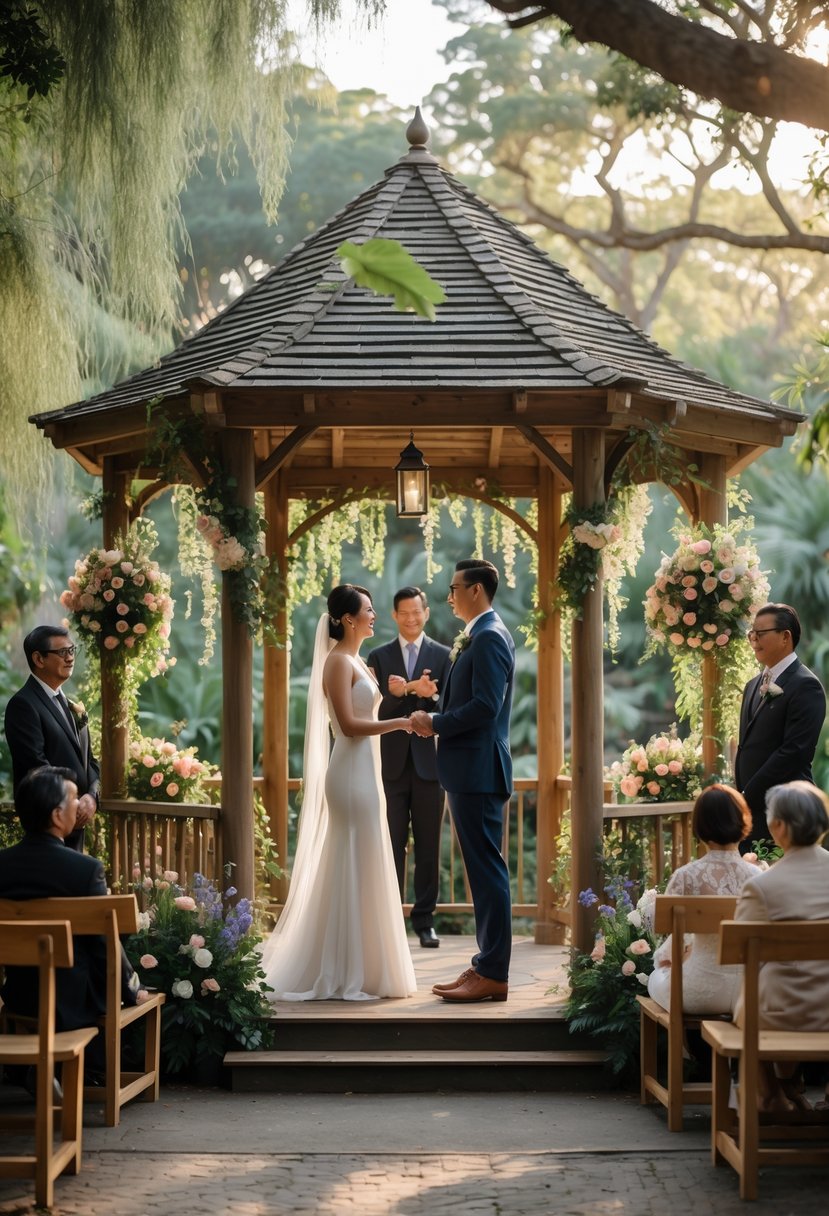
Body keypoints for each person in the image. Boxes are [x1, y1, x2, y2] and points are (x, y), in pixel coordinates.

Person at [261, 584, 417, 1001]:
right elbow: (348, 727)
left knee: (366, 859)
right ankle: (340, 969)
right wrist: (399, 724)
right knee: (350, 858)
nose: (374, 616)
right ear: (348, 619)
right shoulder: (336, 663)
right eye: (368, 610)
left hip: (367, 772)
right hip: (349, 773)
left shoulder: (359, 661)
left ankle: (367, 966)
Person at [411, 558, 516, 1004]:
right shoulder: (479, 634)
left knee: (487, 869)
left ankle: (492, 971)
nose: (448, 596)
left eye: (453, 588)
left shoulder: (489, 637)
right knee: (481, 868)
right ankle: (484, 963)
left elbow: (486, 707)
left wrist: (434, 722)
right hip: (468, 769)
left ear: (476, 590)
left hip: (477, 769)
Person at [0, 766, 146, 1066]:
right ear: (56, 816)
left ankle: (32, 1072)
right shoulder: (84, 869)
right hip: (73, 1003)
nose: (80, 805)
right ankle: (95, 1068)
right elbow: (103, 945)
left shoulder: (3, 865)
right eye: (75, 799)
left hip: (18, 997)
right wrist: (131, 988)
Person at [731, 781, 829, 1112]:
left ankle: (769, 1094)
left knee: (747, 997)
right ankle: (793, 1090)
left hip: (781, 1013)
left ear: (778, 827)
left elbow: (739, 954)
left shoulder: (761, 886)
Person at [367, 586, 451, 949]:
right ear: (394, 616)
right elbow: (370, 712)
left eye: (417, 612)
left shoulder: (446, 656)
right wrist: (399, 694)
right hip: (391, 765)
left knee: (429, 845)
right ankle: (389, 918)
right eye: (404, 613)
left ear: (426, 613)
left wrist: (428, 694)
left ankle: (425, 920)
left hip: (431, 765)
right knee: (390, 843)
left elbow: (450, 708)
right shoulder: (378, 656)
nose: (411, 618)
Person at [647, 785, 758, 1014]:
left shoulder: (686, 876)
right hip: (749, 993)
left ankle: (688, 1050)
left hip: (698, 992)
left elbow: (665, 928)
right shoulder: (760, 878)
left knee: (655, 977)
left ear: (700, 826)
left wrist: (666, 958)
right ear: (742, 821)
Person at [734, 603, 826, 852]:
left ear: (786, 636)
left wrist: (746, 793)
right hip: (751, 813)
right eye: (751, 633)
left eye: (760, 633)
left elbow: (794, 752)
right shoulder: (753, 685)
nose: (754, 640)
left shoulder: (806, 685)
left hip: (787, 812)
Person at [4, 624, 99, 852]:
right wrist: (71, 803)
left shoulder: (69, 704)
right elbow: (36, 765)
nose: (70, 658)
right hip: (49, 822)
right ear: (38, 658)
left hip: (76, 820)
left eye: (72, 650)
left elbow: (91, 762)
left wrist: (92, 797)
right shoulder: (24, 705)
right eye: (62, 652)